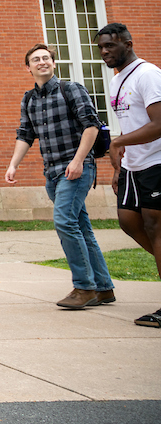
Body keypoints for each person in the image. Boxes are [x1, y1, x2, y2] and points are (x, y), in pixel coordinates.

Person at [5, 43, 114, 310]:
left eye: (46, 58)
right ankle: (103, 288)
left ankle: (84, 287)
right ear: (28, 67)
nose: (42, 62)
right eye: (36, 59)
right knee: (81, 228)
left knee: (65, 221)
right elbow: (25, 135)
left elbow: (91, 125)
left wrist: (78, 161)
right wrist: (13, 165)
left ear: (53, 63)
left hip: (76, 168)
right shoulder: (29, 99)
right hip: (52, 172)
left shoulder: (71, 89)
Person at [97, 23, 161, 327]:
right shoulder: (116, 81)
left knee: (154, 224)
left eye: (110, 46)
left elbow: (159, 123)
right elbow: (129, 121)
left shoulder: (148, 74)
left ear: (128, 43)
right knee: (128, 221)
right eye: (100, 47)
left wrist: (119, 142)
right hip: (134, 165)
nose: (105, 52)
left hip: (157, 161)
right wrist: (119, 162)